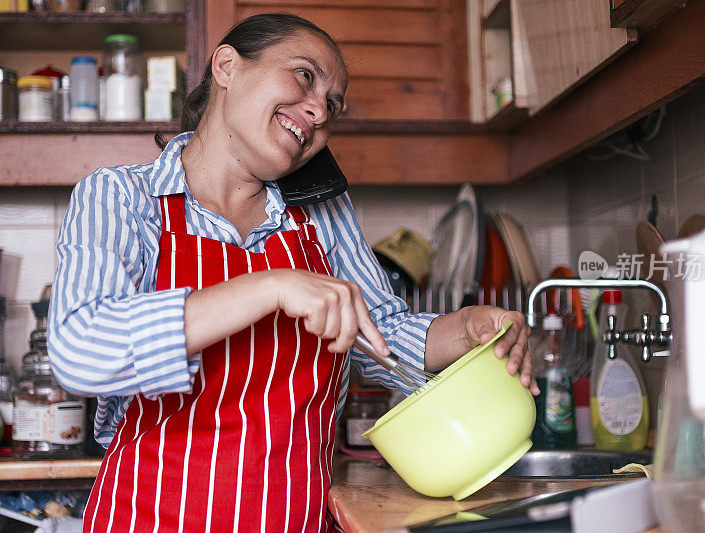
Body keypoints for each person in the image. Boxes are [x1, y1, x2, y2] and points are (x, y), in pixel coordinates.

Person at [47, 13, 537, 533]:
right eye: (305, 75)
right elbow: (80, 350)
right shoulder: (122, 196)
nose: (318, 110)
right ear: (228, 65)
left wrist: (467, 330)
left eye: (333, 105)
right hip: (149, 519)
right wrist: (269, 285)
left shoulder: (322, 212)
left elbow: (381, 337)